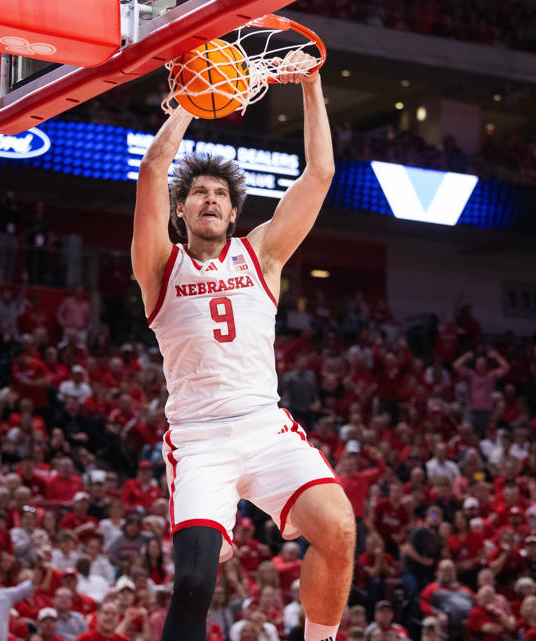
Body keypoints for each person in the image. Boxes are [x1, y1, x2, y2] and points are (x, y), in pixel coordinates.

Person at [129, 49, 351, 641]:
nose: (210, 199)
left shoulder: (263, 255)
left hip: (265, 426)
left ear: (232, 213)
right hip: (200, 440)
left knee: (338, 529)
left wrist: (311, 85)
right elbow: (152, 171)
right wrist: (188, 102)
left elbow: (320, 174)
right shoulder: (159, 266)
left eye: (220, 195)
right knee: (194, 580)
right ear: (181, 211)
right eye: (198, 193)